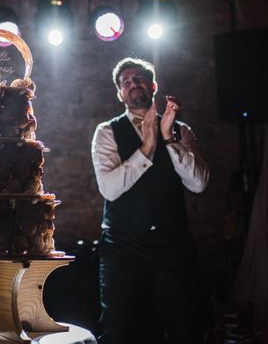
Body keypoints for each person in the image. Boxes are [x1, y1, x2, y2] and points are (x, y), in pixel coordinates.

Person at [91, 57, 209, 344]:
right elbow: (109, 189)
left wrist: (168, 140)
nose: (133, 84)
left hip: (173, 245)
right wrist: (146, 148)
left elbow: (199, 183)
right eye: (125, 82)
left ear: (152, 85)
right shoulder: (106, 132)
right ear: (120, 94)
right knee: (119, 331)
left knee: (185, 327)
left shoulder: (181, 130)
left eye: (139, 78)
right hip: (122, 247)